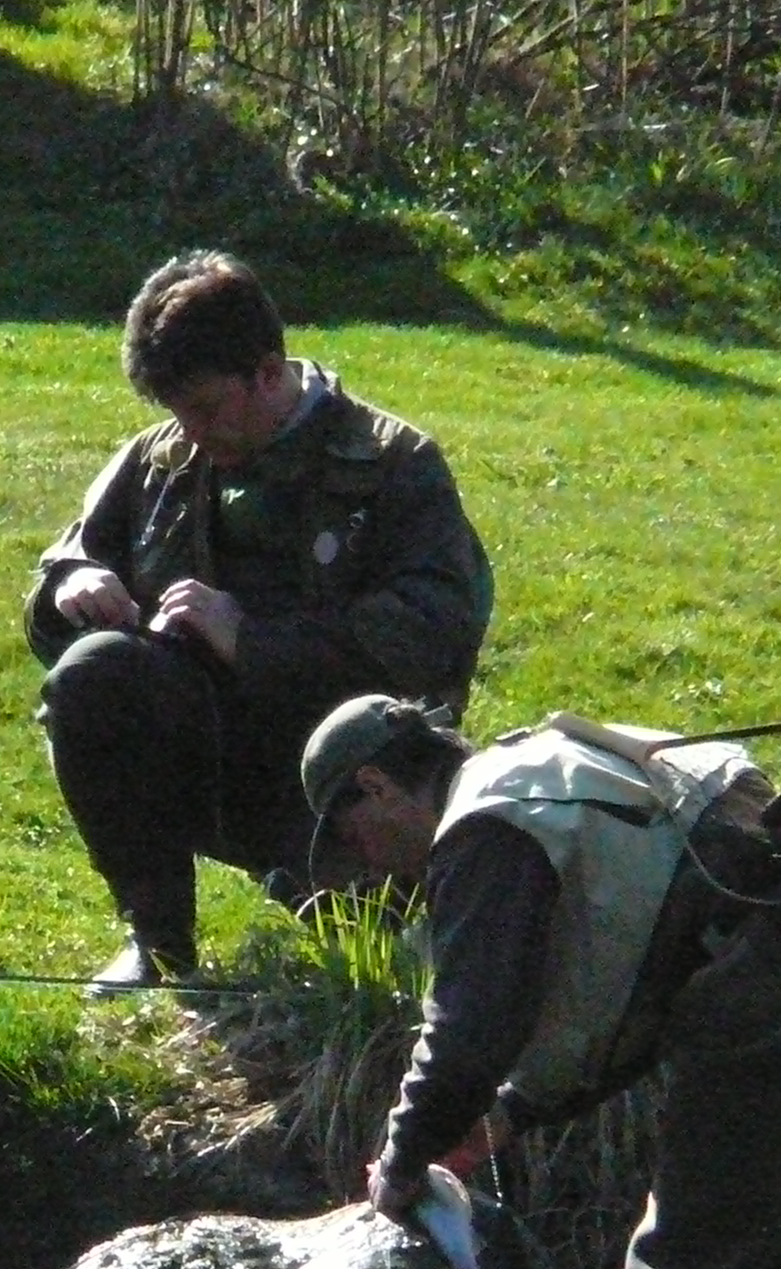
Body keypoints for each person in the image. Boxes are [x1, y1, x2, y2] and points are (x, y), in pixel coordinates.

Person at [298, 695, 781, 1269]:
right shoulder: (562, 762)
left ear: (376, 786)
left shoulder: (484, 827)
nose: (369, 867)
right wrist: (510, 1116)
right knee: (758, 1240)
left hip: (773, 992)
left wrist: (401, 1164)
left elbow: (467, 1035)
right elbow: (634, 976)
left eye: (352, 839)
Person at [25, 251, 493, 992]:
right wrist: (73, 586)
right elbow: (67, 564)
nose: (191, 430)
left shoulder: (393, 464)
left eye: (206, 408)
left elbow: (433, 633)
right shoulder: (160, 460)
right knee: (91, 678)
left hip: (340, 767)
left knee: (384, 964)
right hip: (198, 742)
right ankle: (158, 945)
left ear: (268, 373)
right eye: (175, 412)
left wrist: (251, 640)